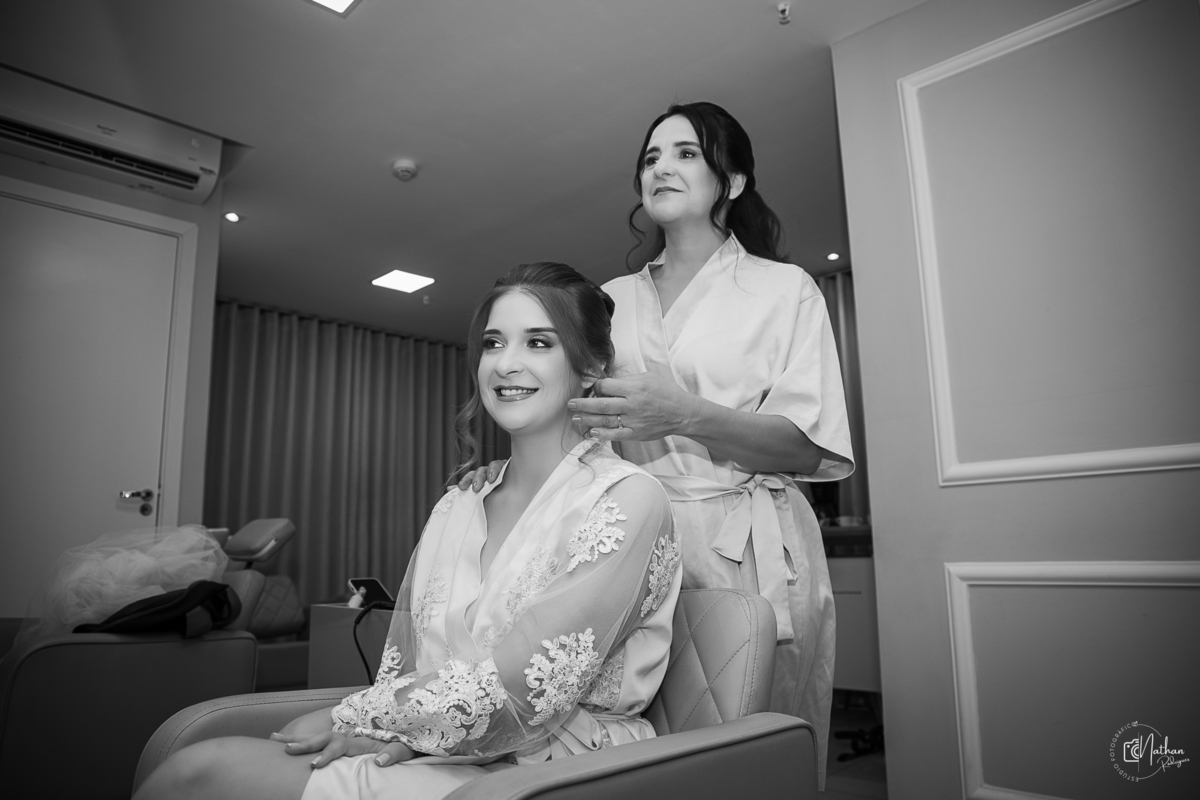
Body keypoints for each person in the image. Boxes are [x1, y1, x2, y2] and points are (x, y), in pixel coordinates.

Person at [135, 263, 681, 800]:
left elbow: (526, 687)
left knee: (198, 774)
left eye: (539, 343)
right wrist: (399, 734)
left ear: (591, 366)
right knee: (192, 767)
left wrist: (355, 716)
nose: (506, 364)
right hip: (446, 748)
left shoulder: (626, 500)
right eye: (493, 344)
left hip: (564, 771)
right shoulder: (458, 505)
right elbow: (409, 666)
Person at [463, 101, 853, 787]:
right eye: (650, 157)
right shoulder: (610, 300)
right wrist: (510, 474)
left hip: (745, 543)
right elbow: (573, 420)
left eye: (685, 153)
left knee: (748, 748)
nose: (661, 168)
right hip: (629, 534)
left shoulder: (784, 290)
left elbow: (805, 447)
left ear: (732, 181)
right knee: (631, 738)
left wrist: (684, 414)